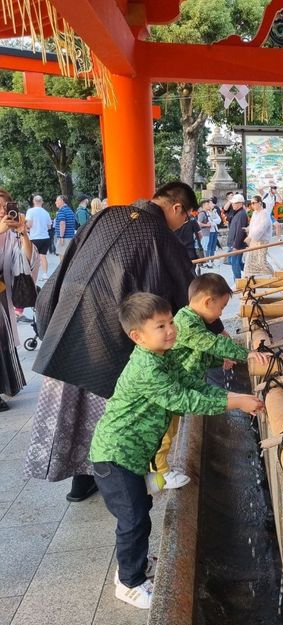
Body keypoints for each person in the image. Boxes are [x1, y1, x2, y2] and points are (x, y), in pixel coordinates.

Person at [24, 181, 197, 502]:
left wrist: (50, 313)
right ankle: (118, 486)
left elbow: (68, 258)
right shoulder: (161, 238)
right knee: (108, 414)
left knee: (72, 409)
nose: (182, 224)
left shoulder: (106, 215)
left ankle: (79, 484)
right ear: (177, 208)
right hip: (107, 339)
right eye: (185, 218)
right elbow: (187, 294)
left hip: (67, 318)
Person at [90, 292, 263, 608]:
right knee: (133, 519)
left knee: (143, 503)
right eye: (160, 326)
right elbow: (184, 400)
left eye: (170, 321)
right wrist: (236, 401)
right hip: (113, 457)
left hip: (135, 456)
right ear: (137, 336)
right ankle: (129, 582)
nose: (170, 329)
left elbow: (193, 384)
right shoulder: (147, 368)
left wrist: (232, 383)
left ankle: (136, 563)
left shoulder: (163, 357)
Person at [155, 274, 271, 488]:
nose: (221, 313)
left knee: (166, 432)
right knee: (163, 434)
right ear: (208, 302)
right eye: (222, 307)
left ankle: (156, 476)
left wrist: (221, 360)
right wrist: (246, 354)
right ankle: (160, 475)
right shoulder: (186, 322)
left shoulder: (193, 320)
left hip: (180, 383)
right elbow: (213, 343)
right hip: (171, 388)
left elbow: (202, 354)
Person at [0, 189, 37, 412]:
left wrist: (23, 234)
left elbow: (25, 261)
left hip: (2, 295)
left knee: (2, 342)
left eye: (6, 206)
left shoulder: (12, 233)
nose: (3, 211)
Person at [243, 195, 274, 276]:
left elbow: (262, 228)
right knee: (250, 260)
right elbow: (253, 225)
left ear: (260, 203)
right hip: (254, 240)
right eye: (251, 203)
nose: (252, 205)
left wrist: (250, 237)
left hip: (262, 241)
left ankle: (274, 274)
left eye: (254, 203)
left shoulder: (265, 213)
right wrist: (248, 229)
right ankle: (248, 276)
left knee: (261, 261)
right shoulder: (254, 213)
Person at [25, 194, 52, 278]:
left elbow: (29, 224)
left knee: (33, 258)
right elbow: (49, 226)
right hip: (45, 237)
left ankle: (31, 275)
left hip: (35, 237)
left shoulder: (30, 211)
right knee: (43, 256)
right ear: (42, 202)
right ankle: (45, 274)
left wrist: (26, 227)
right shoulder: (46, 212)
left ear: (33, 201)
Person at [227, 193, 248, 280]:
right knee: (236, 262)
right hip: (234, 243)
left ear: (240, 204)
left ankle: (238, 281)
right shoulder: (237, 213)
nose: (232, 205)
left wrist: (236, 246)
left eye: (234, 203)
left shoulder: (242, 214)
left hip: (237, 244)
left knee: (234, 263)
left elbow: (240, 231)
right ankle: (249, 272)